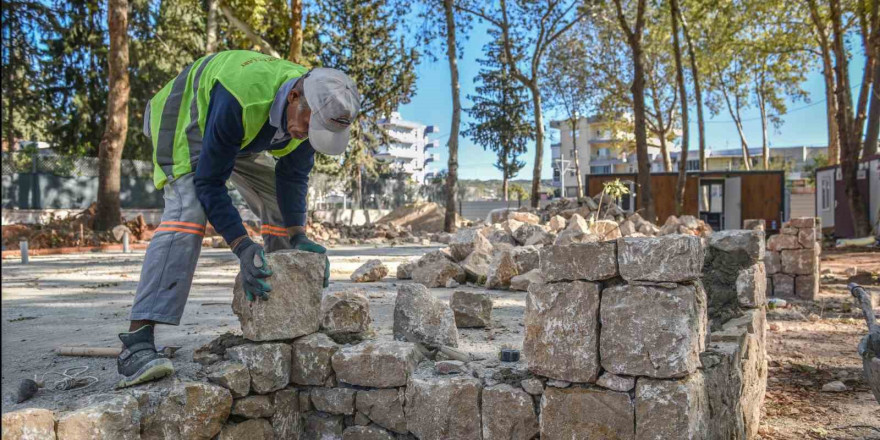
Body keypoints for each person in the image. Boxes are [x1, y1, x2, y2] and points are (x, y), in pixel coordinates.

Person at [116, 50, 361, 388]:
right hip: (185, 117)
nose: (308, 133)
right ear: (294, 97)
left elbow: (291, 178)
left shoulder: (311, 112)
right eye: (308, 124)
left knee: (278, 203)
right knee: (188, 213)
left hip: (241, 132)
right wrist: (242, 246)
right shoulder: (242, 97)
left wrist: (298, 236)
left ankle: (278, 311)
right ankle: (138, 341)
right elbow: (209, 182)